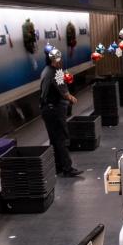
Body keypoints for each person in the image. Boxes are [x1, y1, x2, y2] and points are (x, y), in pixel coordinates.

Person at [39, 48, 79, 177]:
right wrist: (72, 98)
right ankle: (68, 168)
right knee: (61, 138)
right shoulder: (57, 72)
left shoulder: (45, 71)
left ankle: (57, 167)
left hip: (46, 109)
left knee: (54, 139)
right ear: (55, 60)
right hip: (54, 109)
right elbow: (65, 93)